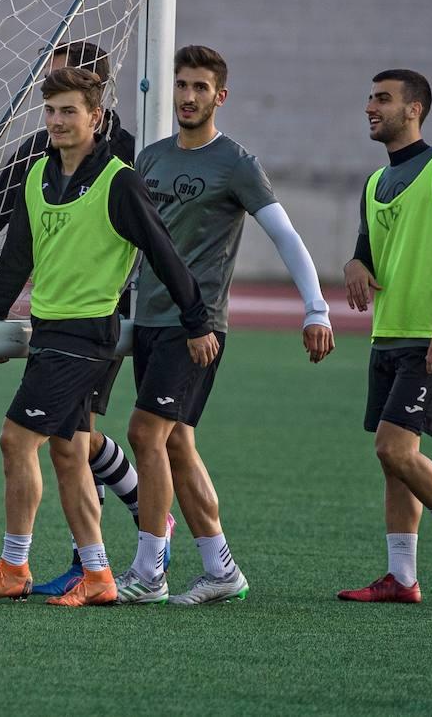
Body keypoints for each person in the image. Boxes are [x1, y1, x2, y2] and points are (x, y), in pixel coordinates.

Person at [0, 67, 214, 607]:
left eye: (69, 111)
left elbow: (163, 253)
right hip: (48, 333)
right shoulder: (37, 176)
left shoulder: (119, 180)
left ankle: (14, 566)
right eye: (51, 112)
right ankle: (100, 575)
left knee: (15, 441)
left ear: (95, 117)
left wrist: (196, 321)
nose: (57, 122)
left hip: (84, 337)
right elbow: (17, 259)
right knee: (69, 451)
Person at [121, 45, 333, 605]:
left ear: (220, 95)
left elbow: (285, 235)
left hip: (198, 326)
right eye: (181, 85)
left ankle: (149, 572)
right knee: (177, 445)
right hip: (150, 319)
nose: (188, 97)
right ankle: (221, 570)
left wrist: (315, 307)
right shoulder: (152, 158)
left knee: (146, 434)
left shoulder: (235, 163)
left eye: (200, 88)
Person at [0, 41, 150, 596]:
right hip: (53, 322)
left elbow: (156, 243)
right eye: (49, 99)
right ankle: (100, 564)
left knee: (26, 439)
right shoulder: (35, 157)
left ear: (95, 97)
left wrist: (192, 316)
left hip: (93, 321)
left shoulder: (125, 159)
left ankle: (33, 565)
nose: (53, 111)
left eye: (66, 98)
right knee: (75, 445)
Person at [338, 68, 432, 604]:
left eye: (383, 99)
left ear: (414, 110)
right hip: (388, 337)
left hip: (429, 339)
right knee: (391, 458)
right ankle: (402, 578)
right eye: (369, 97)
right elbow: (365, 248)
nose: (369, 107)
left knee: (395, 449)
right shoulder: (376, 183)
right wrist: (356, 263)